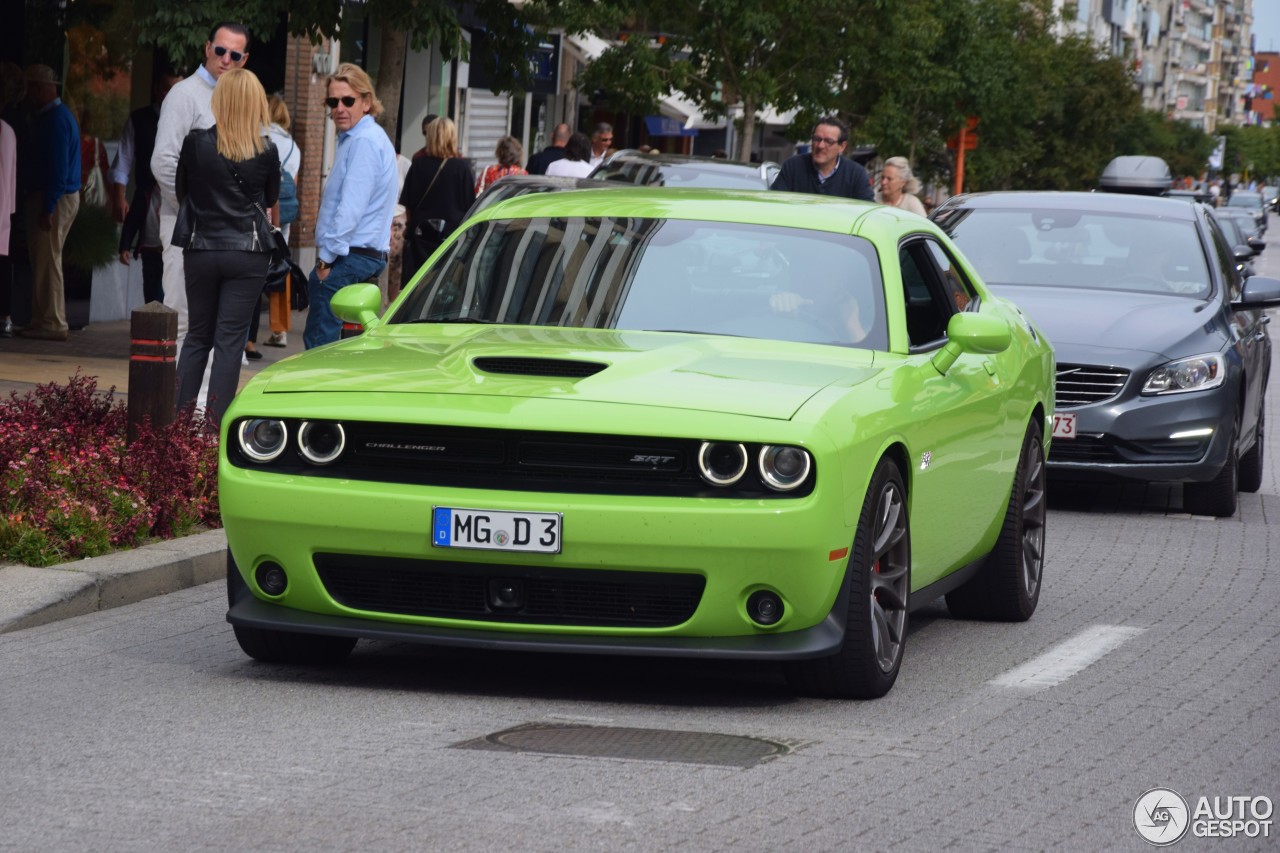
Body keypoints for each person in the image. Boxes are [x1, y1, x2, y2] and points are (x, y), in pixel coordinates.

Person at [171, 68, 279, 426]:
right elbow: (270, 199)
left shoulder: (195, 143)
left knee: (198, 336)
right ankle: (214, 430)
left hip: (201, 248)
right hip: (247, 252)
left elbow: (182, 192)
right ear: (256, 104)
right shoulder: (267, 150)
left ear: (219, 101)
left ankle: (177, 425)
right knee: (230, 341)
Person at [152, 22, 250, 377]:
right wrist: (194, 212)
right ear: (207, 48)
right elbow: (163, 161)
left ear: (244, 59)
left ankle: (207, 416)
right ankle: (180, 418)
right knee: (184, 320)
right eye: (220, 50)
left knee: (221, 327)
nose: (225, 59)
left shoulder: (239, 100)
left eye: (234, 54)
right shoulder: (184, 95)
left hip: (227, 234)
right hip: (188, 227)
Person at [304, 62, 398, 350]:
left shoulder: (363, 142)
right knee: (340, 349)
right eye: (333, 101)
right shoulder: (361, 139)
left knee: (320, 348)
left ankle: (315, 395)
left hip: (349, 257)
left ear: (366, 102)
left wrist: (325, 261)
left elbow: (350, 209)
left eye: (348, 100)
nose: (340, 108)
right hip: (359, 255)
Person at [18, 64, 79, 341]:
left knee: (47, 260)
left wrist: (48, 206)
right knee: (46, 259)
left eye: (32, 87)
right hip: (57, 195)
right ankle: (44, 319)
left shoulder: (55, 120)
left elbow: (58, 170)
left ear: (42, 88)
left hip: (54, 196)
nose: (28, 93)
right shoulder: (58, 116)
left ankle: (52, 322)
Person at [112, 70, 180, 306]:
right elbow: (123, 161)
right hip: (150, 202)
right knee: (152, 273)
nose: (170, 94)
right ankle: (154, 319)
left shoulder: (190, 122)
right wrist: (119, 197)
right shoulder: (140, 120)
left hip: (179, 205)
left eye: (176, 89)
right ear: (157, 90)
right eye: (166, 88)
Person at [398, 116, 474, 290]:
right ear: (452, 137)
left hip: (420, 238)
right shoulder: (461, 168)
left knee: (417, 288)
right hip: (451, 238)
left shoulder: (418, 165)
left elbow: (408, 204)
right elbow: (469, 207)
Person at [258, 93, 299, 349]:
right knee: (280, 267)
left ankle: (247, 335)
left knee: (254, 266)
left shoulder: (260, 137)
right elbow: (293, 183)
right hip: (283, 212)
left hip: (261, 209)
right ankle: (280, 329)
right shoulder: (294, 147)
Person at [770, 116, 873, 200]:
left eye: (828, 141)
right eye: (817, 139)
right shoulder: (793, 167)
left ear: (842, 146)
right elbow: (774, 203)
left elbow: (867, 214)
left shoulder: (856, 175)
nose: (820, 146)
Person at [0, 62, 21, 338]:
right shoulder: (9, 131)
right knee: (2, 263)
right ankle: (5, 317)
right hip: (3, 208)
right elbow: (12, 174)